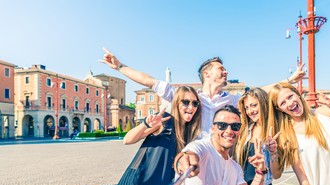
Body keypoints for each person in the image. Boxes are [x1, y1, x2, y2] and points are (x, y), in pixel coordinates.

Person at [99, 48, 306, 139]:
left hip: (222, 157)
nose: (225, 71)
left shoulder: (232, 100)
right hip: (194, 158)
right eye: (220, 68)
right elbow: (149, 81)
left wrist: (288, 81)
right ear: (207, 73)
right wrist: (119, 67)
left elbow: (261, 92)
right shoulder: (189, 99)